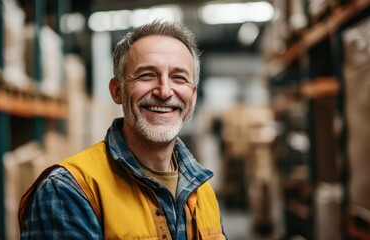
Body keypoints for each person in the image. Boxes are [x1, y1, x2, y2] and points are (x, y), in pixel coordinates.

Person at [18, 20, 227, 240]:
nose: (164, 91)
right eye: (146, 75)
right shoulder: (69, 190)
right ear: (117, 91)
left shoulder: (202, 191)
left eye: (179, 78)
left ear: (193, 97)